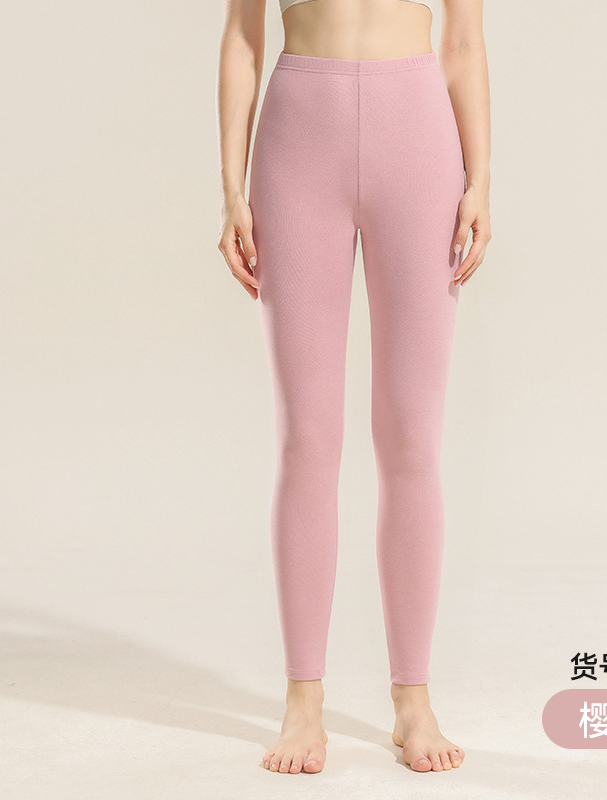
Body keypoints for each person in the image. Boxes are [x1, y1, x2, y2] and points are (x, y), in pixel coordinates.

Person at [216, 0, 491, 775]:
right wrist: (231, 189)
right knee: (307, 437)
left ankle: (414, 698)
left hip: (420, 142)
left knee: (412, 438)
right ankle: (303, 700)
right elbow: (242, 39)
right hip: (298, 144)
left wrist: (480, 179)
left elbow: (463, 41)